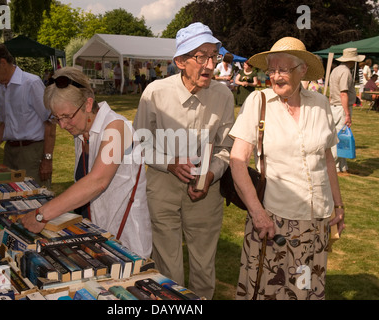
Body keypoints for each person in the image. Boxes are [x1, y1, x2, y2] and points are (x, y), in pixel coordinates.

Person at [229, 36, 346, 300]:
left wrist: (338, 206)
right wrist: (258, 214)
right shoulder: (258, 103)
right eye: (272, 70)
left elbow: (327, 159)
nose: (276, 76)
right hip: (274, 223)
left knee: (304, 287)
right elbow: (237, 162)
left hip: (316, 222)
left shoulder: (321, 104)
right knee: (270, 289)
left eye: (284, 69)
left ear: (302, 70)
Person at [133, 22, 235, 300]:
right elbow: (139, 143)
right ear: (180, 61)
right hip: (162, 188)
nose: (210, 64)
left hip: (206, 192)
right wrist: (169, 163)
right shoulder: (154, 93)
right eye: (200, 56)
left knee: (203, 264)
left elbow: (227, 146)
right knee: (167, 265)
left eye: (213, 56)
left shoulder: (223, 95)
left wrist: (212, 175)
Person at [21, 67, 152, 259]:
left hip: (126, 244)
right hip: (98, 238)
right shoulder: (82, 132)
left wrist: (42, 214)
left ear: (88, 104)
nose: (63, 125)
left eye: (66, 116)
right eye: (57, 118)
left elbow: (97, 181)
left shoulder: (116, 127)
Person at [0, 43, 55, 187]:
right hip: (10, 152)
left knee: (35, 199)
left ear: (3, 63)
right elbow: (4, 125)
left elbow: (50, 122)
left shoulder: (31, 83)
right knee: (11, 198)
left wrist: (47, 160)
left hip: (32, 153)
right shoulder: (3, 87)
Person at [329, 47, 365, 174]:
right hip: (341, 107)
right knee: (339, 138)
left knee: (340, 136)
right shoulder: (345, 72)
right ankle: (334, 166)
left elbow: (332, 92)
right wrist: (348, 114)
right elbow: (343, 93)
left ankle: (342, 166)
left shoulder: (336, 70)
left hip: (335, 106)